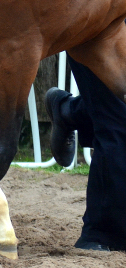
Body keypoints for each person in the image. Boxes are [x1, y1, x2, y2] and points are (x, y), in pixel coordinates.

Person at [45, 54, 126, 251]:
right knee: (115, 123)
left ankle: (68, 111)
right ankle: (101, 233)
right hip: (95, 34)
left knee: (110, 113)